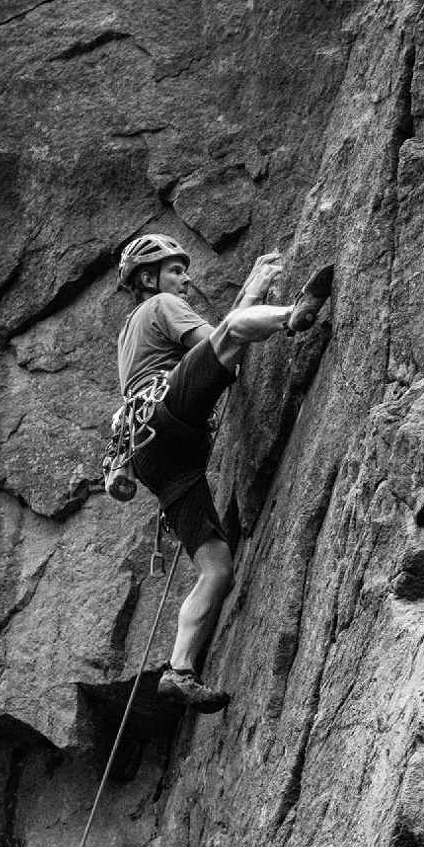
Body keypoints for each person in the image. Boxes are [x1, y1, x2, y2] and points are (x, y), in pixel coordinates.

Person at [116, 233, 332, 713]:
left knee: (216, 569)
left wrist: (250, 292)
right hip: (166, 415)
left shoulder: (130, 331)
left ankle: (179, 670)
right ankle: (293, 315)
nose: (184, 280)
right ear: (148, 279)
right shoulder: (162, 304)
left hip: (153, 455)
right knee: (234, 329)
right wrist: (262, 303)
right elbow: (222, 341)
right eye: (175, 271)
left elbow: (214, 353)